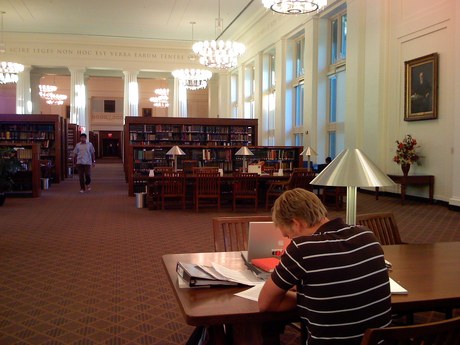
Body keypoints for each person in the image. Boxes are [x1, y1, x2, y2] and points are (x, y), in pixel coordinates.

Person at [259, 188, 391, 344]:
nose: (289, 240)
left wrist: (305, 296)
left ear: (296, 223)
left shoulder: (302, 249)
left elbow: (265, 303)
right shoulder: (366, 235)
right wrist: (316, 294)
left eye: (288, 235)